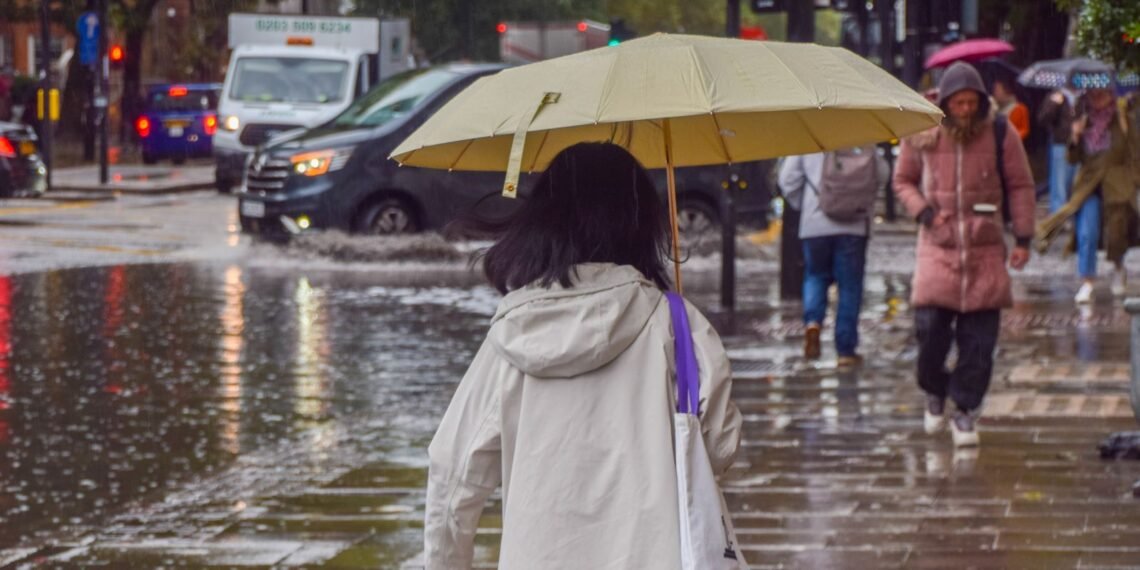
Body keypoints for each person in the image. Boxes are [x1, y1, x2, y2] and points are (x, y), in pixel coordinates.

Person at [424, 143, 743, 569]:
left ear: (545, 220)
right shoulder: (677, 325)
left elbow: (454, 471)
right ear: (641, 220)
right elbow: (719, 448)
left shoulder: (512, 333)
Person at [892, 62, 1035, 448]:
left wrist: (1023, 238)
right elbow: (902, 180)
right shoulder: (921, 129)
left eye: (973, 102)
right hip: (937, 247)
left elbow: (1021, 186)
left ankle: (966, 409)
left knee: (979, 344)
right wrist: (923, 211)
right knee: (929, 335)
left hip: (984, 249)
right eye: (960, 102)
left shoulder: (1000, 131)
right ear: (946, 100)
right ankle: (935, 389)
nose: (967, 109)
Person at [779, 148, 887, 367]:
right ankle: (845, 351)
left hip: (814, 224)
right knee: (849, 287)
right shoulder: (860, 131)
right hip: (854, 224)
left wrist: (806, 204)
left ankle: (813, 323)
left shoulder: (809, 135)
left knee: (815, 276)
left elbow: (787, 179)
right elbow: (882, 173)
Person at [1035, 88, 1140, 303]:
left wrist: (1134, 180)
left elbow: (1134, 150)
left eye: (1102, 93)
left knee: (1116, 232)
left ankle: (1119, 268)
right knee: (1086, 231)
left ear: (1111, 94)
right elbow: (1073, 159)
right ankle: (1087, 280)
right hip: (1088, 184)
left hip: (1117, 183)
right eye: (1093, 94)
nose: (1097, 97)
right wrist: (1075, 136)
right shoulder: (1083, 119)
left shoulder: (1121, 117)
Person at [1038, 88, 1079, 214]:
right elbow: (1043, 118)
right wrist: (1054, 103)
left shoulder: (1082, 97)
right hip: (1061, 143)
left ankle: (1072, 213)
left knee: (1075, 182)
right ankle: (1058, 215)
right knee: (1058, 183)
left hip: (1078, 145)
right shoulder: (1056, 96)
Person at [992, 77, 1031, 141]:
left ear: (1006, 91)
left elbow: (1024, 129)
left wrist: (1011, 139)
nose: (994, 93)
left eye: (996, 90)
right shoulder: (993, 107)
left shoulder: (1019, 108)